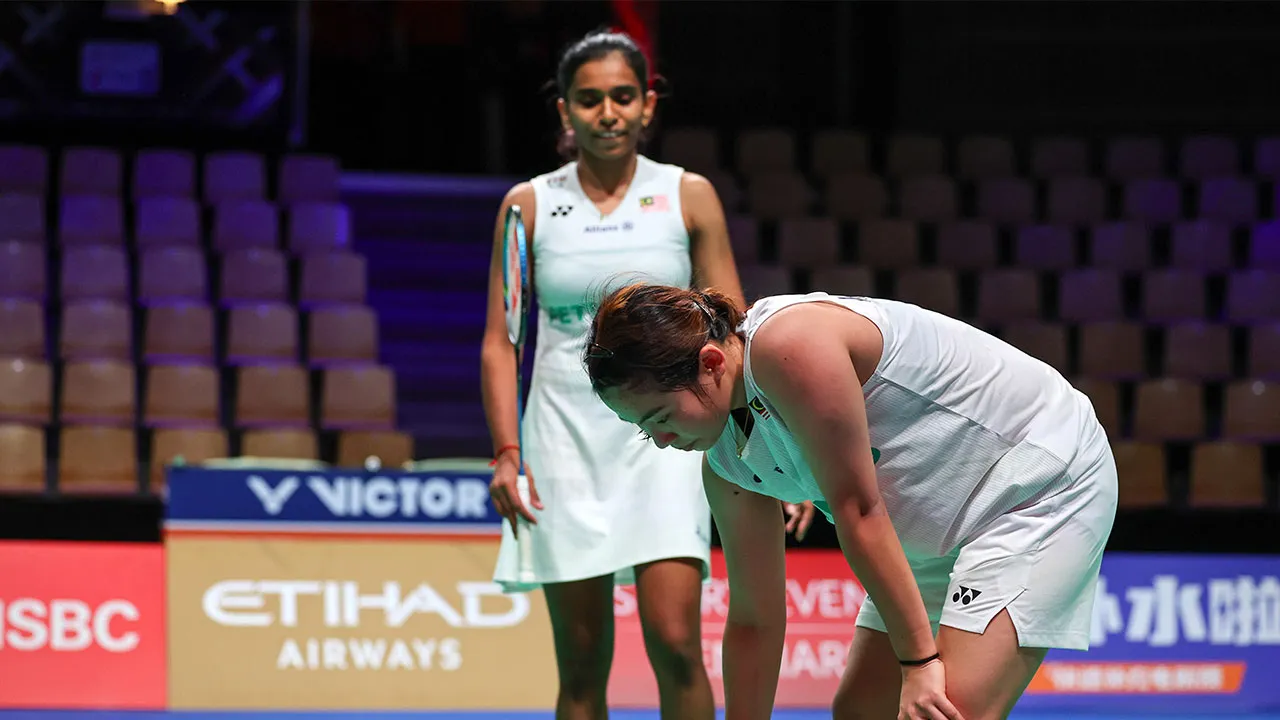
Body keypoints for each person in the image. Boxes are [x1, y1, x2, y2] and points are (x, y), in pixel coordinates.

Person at [583, 283, 1119, 720]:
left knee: (947, 710)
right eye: (643, 430)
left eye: (660, 418)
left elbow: (858, 509)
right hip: (935, 529)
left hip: (1035, 486)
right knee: (863, 712)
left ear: (710, 362)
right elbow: (754, 617)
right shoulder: (726, 467)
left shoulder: (789, 343)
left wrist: (921, 661)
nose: (660, 441)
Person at [481, 30, 816, 720]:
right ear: (566, 112)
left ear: (647, 105)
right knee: (580, 664)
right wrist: (508, 453)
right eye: (591, 99)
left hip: (669, 440)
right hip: (561, 441)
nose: (608, 112)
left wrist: (777, 452)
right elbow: (501, 340)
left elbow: (734, 331)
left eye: (623, 97)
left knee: (675, 645)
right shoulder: (528, 205)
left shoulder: (686, 196)